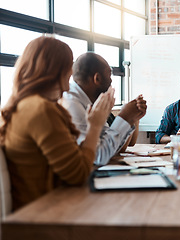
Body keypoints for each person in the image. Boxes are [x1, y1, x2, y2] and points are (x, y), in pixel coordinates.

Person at [0, 36, 114, 211]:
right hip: (45, 214)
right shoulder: (41, 110)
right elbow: (79, 174)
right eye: (68, 72)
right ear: (55, 72)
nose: (69, 83)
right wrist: (95, 126)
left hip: (41, 208)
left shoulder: (22, 105)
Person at [62, 52, 147, 166]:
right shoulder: (72, 104)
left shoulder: (91, 103)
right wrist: (124, 117)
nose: (111, 82)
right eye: (109, 76)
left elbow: (110, 148)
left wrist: (131, 118)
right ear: (97, 78)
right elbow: (99, 157)